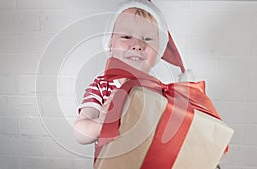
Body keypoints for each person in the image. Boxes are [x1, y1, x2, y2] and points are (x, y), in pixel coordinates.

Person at [73, 0, 189, 145]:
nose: (137, 45)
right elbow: (79, 133)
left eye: (147, 39)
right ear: (110, 44)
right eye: (126, 37)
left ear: (158, 52)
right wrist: (103, 123)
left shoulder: (161, 92)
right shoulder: (101, 86)